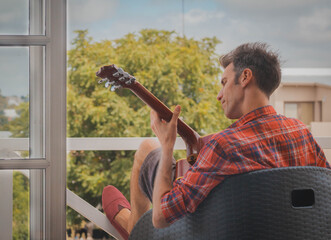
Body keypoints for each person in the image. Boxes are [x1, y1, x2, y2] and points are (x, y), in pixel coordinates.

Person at [101, 42, 330, 239]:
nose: (219, 95)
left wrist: (168, 144)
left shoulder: (224, 146)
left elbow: (161, 216)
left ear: (245, 77)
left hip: (203, 231)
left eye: (224, 82)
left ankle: (133, 229)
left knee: (147, 149)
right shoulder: (301, 133)